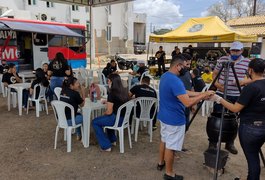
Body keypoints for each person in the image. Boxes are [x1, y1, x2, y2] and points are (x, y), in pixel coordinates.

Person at [157, 55, 214, 180]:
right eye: (185, 65)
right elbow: (187, 103)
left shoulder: (165, 76)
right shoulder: (176, 80)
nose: (187, 68)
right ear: (178, 66)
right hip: (174, 120)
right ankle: (169, 173)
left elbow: (183, 92)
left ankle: (160, 163)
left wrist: (201, 94)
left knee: (164, 140)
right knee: (171, 147)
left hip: (164, 116)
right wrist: (203, 95)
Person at [209, 58, 265, 180]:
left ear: (250, 70)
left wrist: (219, 99)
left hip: (250, 128)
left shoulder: (251, 88)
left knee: (253, 158)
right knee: (254, 155)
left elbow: (235, 109)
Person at [210, 41, 251, 154]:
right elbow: (215, 74)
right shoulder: (223, 60)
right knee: (216, 116)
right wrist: (217, 85)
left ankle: (230, 142)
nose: (235, 52)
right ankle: (213, 142)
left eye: (237, 50)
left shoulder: (247, 62)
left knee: (233, 119)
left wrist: (241, 82)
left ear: (242, 51)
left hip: (237, 94)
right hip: (221, 93)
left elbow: (252, 78)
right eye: (233, 50)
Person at [92, 74, 129, 152]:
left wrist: (104, 114)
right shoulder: (124, 91)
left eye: (108, 81)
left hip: (116, 120)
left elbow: (109, 112)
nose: (107, 82)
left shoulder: (112, 93)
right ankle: (112, 139)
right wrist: (109, 102)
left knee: (95, 122)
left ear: (112, 82)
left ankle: (106, 146)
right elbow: (118, 103)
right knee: (108, 118)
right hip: (124, 119)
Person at [178, 53, 193, 131]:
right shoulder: (176, 75)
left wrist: (194, 103)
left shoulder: (187, 73)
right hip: (180, 104)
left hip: (187, 104)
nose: (188, 66)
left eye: (189, 64)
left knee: (186, 126)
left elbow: (191, 86)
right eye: (187, 64)